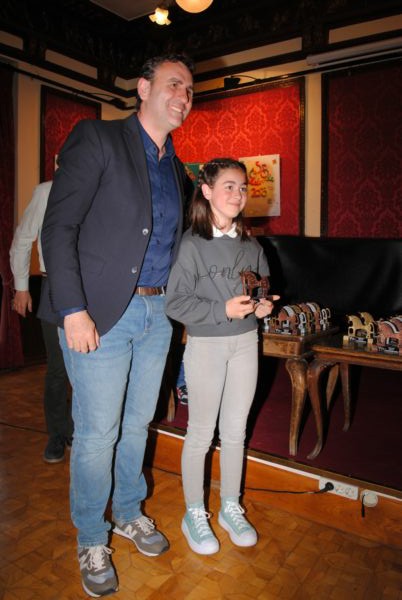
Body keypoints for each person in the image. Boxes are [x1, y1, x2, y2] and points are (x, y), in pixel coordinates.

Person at [41, 54, 194, 597]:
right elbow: (58, 228)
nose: (184, 96)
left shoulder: (177, 168)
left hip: (156, 315)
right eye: (174, 84)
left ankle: (128, 512)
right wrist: (72, 309)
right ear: (143, 88)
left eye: (190, 90)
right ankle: (91, 536)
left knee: (136, 426)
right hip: (100, 314)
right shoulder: (98, 139)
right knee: (97, 433)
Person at [165, 158, 279, 555]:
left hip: (246, 344)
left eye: (243, 187)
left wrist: (262, 308)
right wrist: (222, 311)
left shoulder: (252, 245)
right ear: (207, 191)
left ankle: (231, 506)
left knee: (235, 432)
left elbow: (260, 293)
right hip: (207, 346)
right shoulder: (191, 245)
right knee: (200, 433)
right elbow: (175, 303)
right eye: (229, 186)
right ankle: (194, 513)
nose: (238, 194)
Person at [9, 181, 73, 463]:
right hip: (54, 286)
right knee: (58, 369)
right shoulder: (46, 192)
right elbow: (23, 238)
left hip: (93, 288)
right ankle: (57, 433)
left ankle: (79, 430)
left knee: (91, 369)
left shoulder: (99, 185)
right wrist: (21, 287)